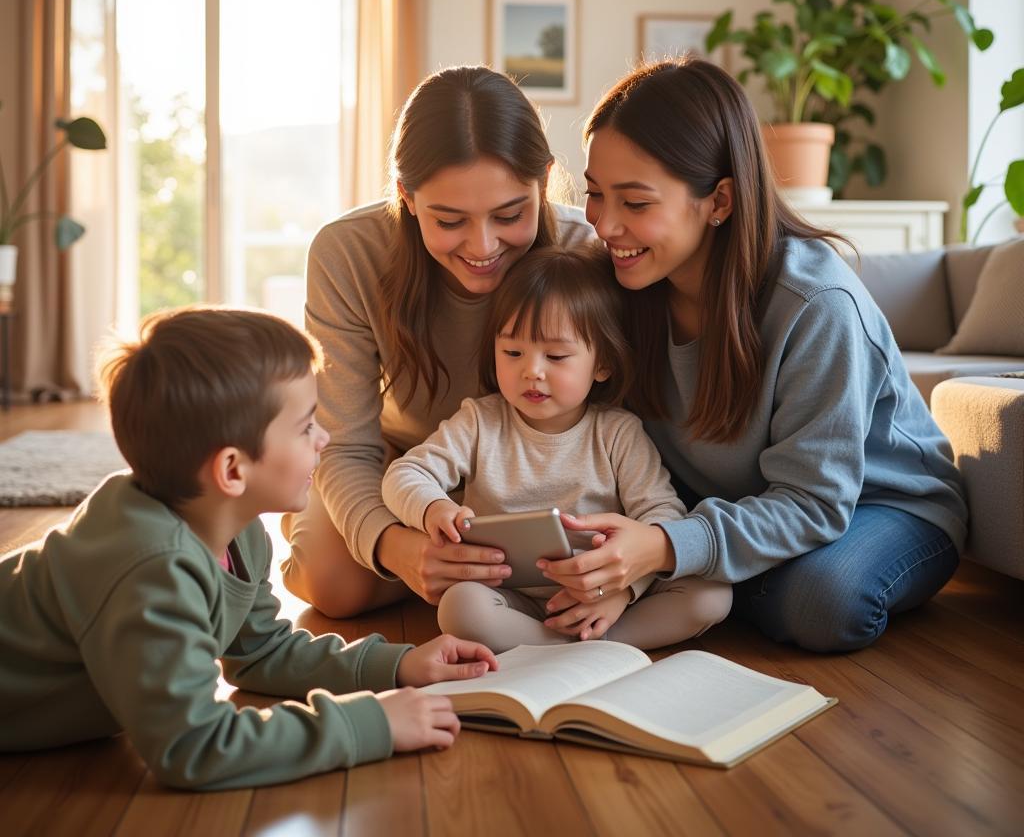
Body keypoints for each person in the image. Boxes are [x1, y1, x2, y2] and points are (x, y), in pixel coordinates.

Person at [538, 58, 967, 653]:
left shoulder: (817, 305)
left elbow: (814, 502)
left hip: (878, 505)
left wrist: (662, 551)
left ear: (719, 199)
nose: (605, 224)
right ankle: (711, 574)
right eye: (594, 194)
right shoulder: (621, 281)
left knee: (823, 602)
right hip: (736, 505)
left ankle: (706, 578)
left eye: (635, 204)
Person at [0, 307, 499, 790]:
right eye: (306, 427)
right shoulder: (149, 569)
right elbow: (193, 746)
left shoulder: (237, 529)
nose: (325, 438)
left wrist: (399, 666)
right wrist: (369, 725)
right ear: (233, 470)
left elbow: (261, 653)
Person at [281, 65, 593, 618]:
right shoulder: (347, 253)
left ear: (544, 181)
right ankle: (333, 530)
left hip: (543, 469)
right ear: (406, 195)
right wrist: (395, 547)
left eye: (510, 214)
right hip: (405, 467)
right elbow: (347, 444)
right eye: (449, 220)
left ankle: (465, 576)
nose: (483, 245)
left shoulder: (583, 251)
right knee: (334, 587)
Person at [380, 243, 732, 653]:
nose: (532, 371)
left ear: (602, 365)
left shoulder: (618, 432)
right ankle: (586, 651)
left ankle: (583, 646)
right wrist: (434, 509)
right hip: (511, 599)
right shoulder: (480, 421)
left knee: (711, 594)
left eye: (557, 355)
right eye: (512, 352)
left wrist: (624, 590)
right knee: (460, 608)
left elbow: (660, 515)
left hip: (603, 597)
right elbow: (405, 474)